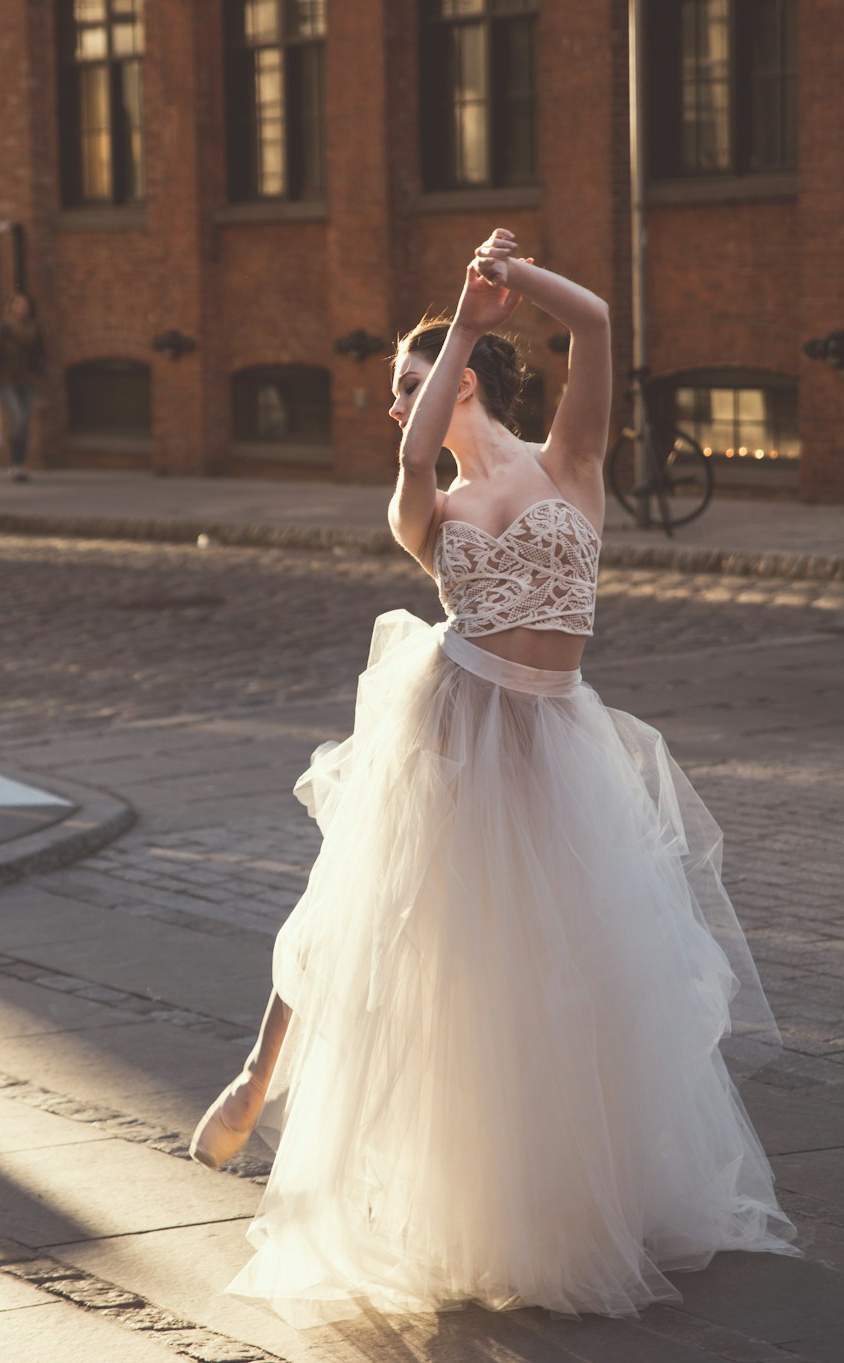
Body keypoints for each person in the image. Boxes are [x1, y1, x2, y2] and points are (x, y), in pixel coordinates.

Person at [189, 229, 799, 1325]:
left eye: (410, 384)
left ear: (464, 385)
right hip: (454, 718)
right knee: (375, 908)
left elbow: (599, 324)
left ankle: (553, 1188)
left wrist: (508, 278)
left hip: (557, 739)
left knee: (560, 971)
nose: (394, 407)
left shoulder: (571, 463)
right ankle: (254, 1072)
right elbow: (412, 461)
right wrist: (464, 318)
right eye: (394, 392)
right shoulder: (423, 508)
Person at [0, 293, 45, 482]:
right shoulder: (4, 328)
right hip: (6, 382)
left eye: (25, 305)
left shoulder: (34, 330)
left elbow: (41, 354)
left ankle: (20, 465)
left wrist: (36, 373)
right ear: (11, 307)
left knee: (24, 424)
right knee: (18, 419)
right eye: (18, 305)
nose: (22, 308)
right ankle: (15, 464)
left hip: (26, 382)